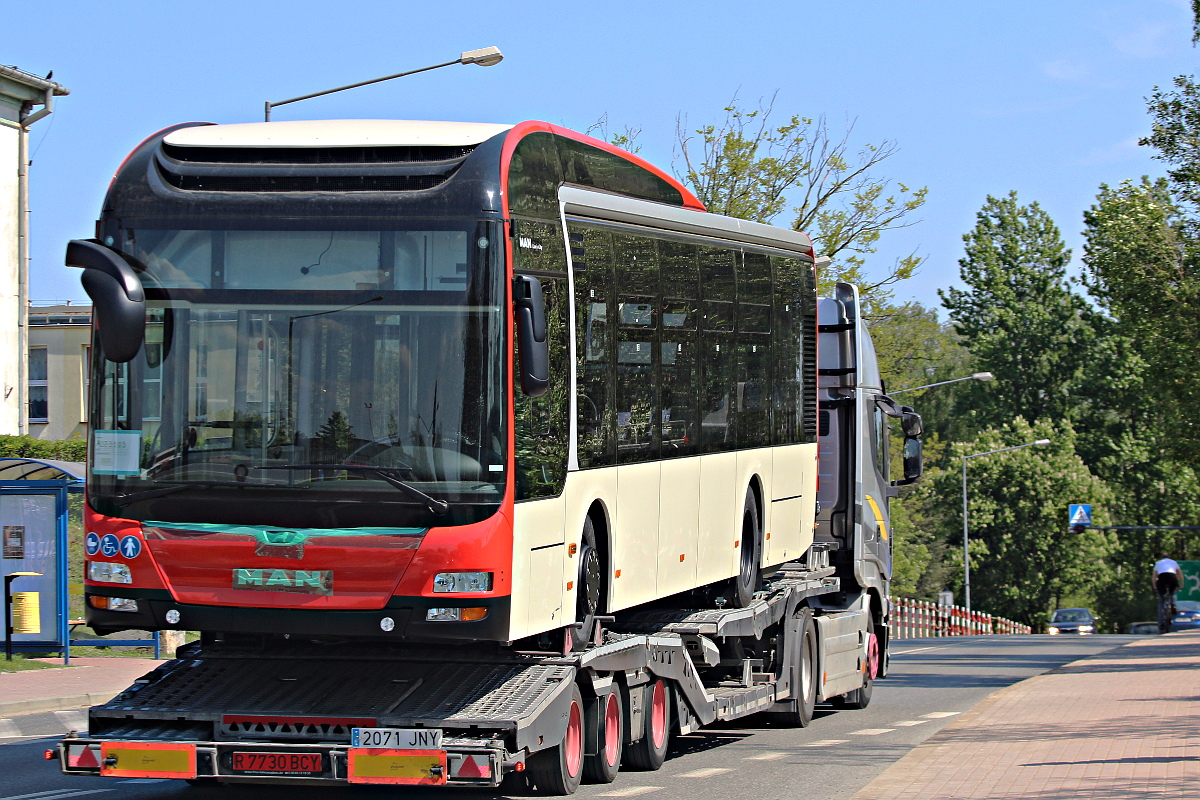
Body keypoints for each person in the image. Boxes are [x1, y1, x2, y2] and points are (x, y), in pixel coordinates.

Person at [1153, 553, 1183, 632]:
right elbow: (1180, 575)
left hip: (1162, 579)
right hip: (1171, 578)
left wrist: (1155, 586)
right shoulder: (1173, 562)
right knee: (1172, 592)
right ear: (1169, 557)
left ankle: (1161, 623)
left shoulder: (1158, 563)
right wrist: (1181, 585)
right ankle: (1173, 605)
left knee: (1161, 602)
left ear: (1161, 558)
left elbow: (1154, 577)